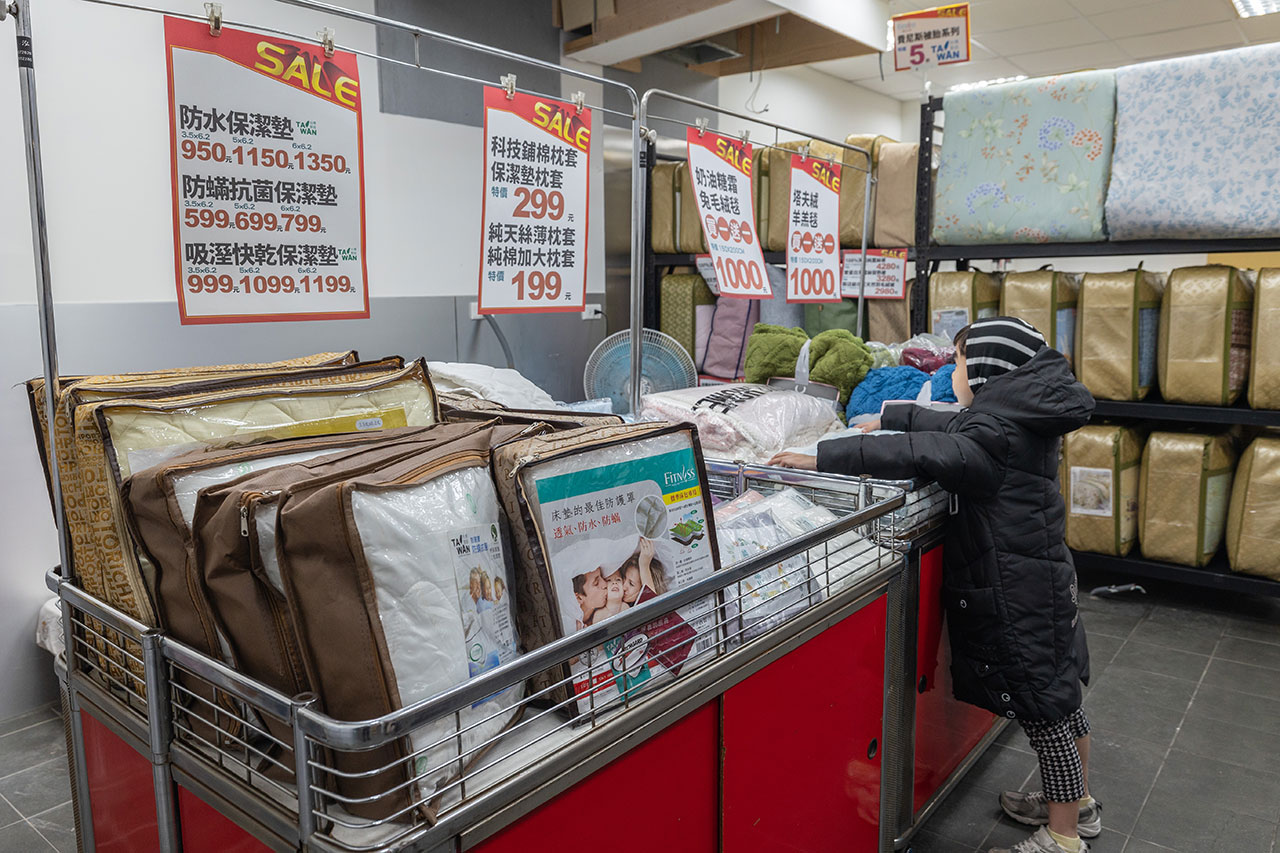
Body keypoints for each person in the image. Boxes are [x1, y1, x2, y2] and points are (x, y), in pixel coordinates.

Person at [770, 318, 1100, 853]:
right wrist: (891, 416)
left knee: (1046, 713)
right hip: (1042, 583)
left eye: (961, 362)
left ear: (987, 374)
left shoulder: (993, 436)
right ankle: (1076, 804)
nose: (953, 371)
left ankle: (1062, 838)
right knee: (1062, 696)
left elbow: (923, 451)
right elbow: (950, 425)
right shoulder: (1020, 420)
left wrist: (825, 456)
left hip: (1016, 596)